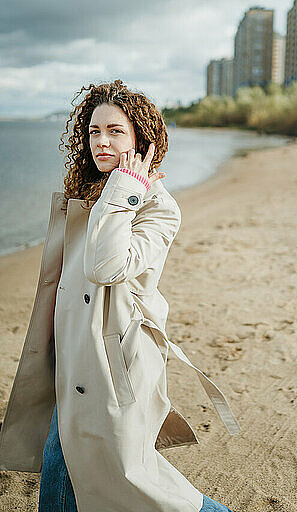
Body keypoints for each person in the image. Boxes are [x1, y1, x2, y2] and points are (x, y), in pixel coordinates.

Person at [0, 79, 240, 512]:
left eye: (115, 131)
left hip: (114, 367)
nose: (101, 140)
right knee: (62, 472)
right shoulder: (90, 196)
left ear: (141, 143)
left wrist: (127, 187)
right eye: (94, 131)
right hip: (71, 360)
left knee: (145, 487)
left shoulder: (156, 207)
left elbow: (107, 267)